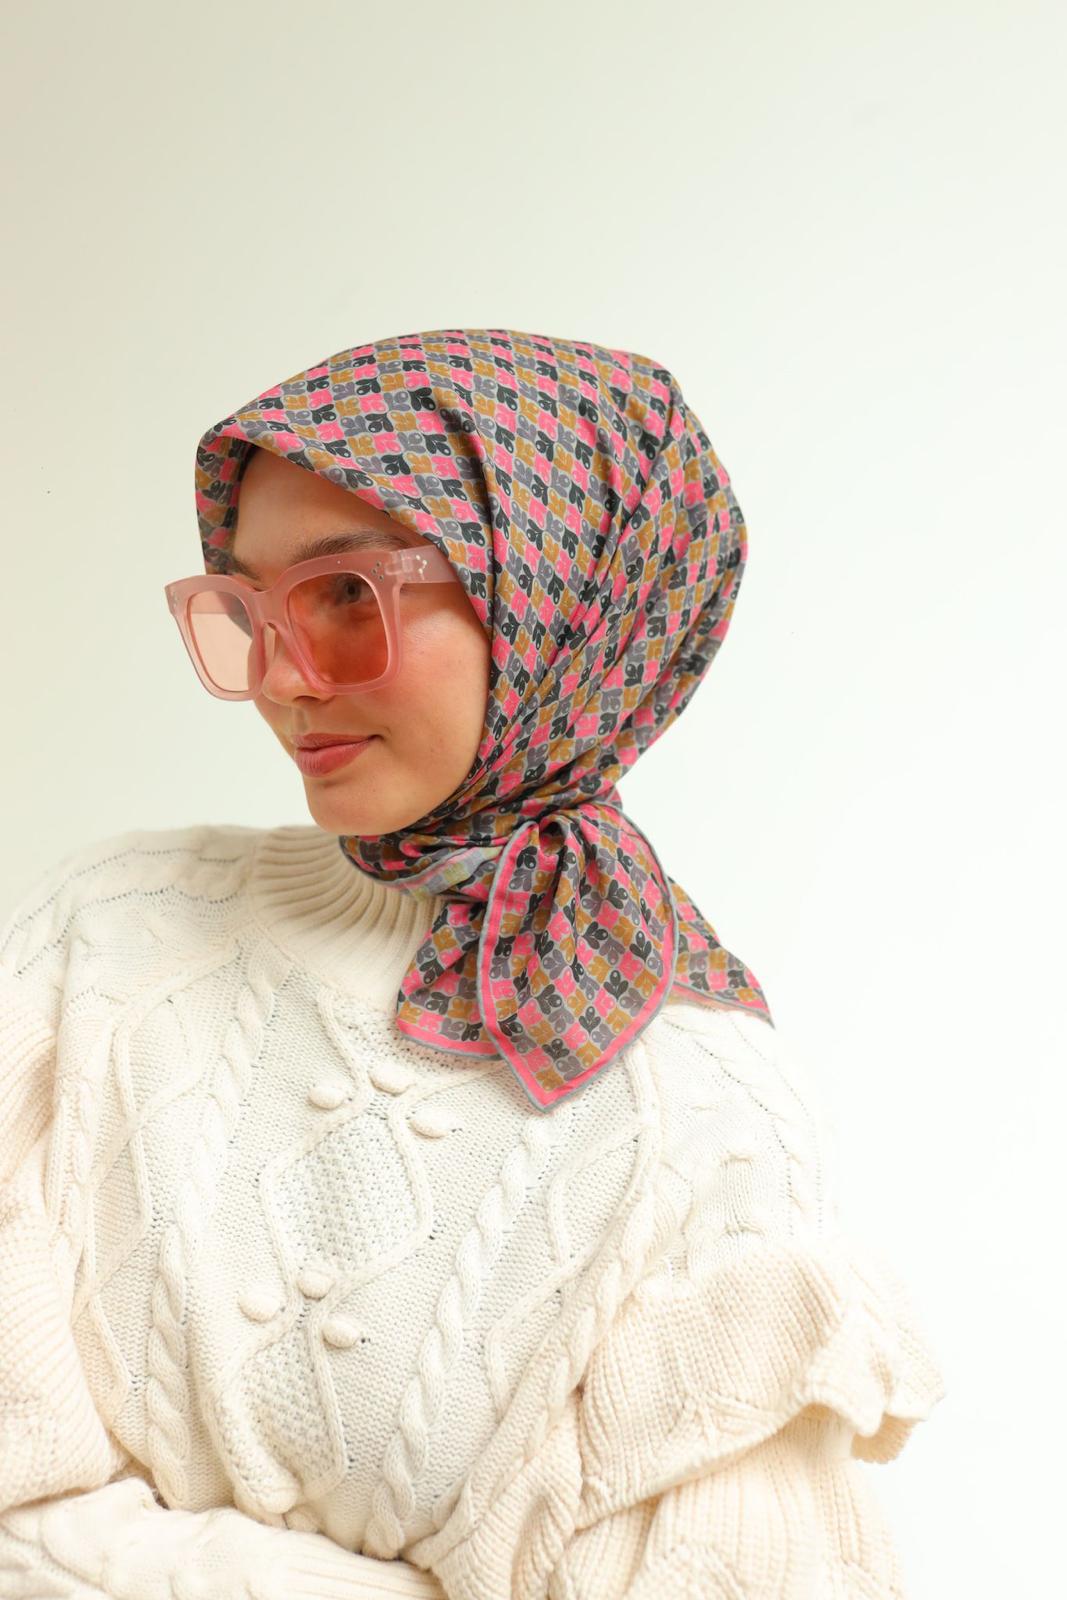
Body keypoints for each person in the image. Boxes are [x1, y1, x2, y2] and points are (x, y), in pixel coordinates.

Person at [0, 328, 946, 1598]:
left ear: (559, 598)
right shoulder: (105, 933)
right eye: (248, 608)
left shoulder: (706, 1111)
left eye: (347, 595)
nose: (282, 678)